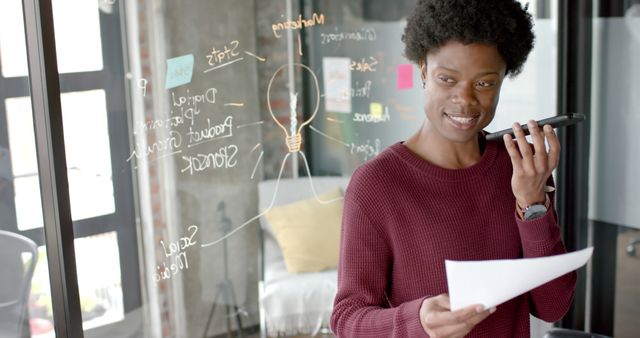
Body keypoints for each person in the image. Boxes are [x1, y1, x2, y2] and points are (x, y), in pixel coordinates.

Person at [330, 0, 577, 337]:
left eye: (485, 83)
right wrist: (418, 321)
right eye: (447, 79)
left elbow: (552, 306)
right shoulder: (377, 184)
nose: (465, 99)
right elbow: (347, 319)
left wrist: (533, 204)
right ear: (422, 72)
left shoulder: (522, 168)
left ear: (504, 78)